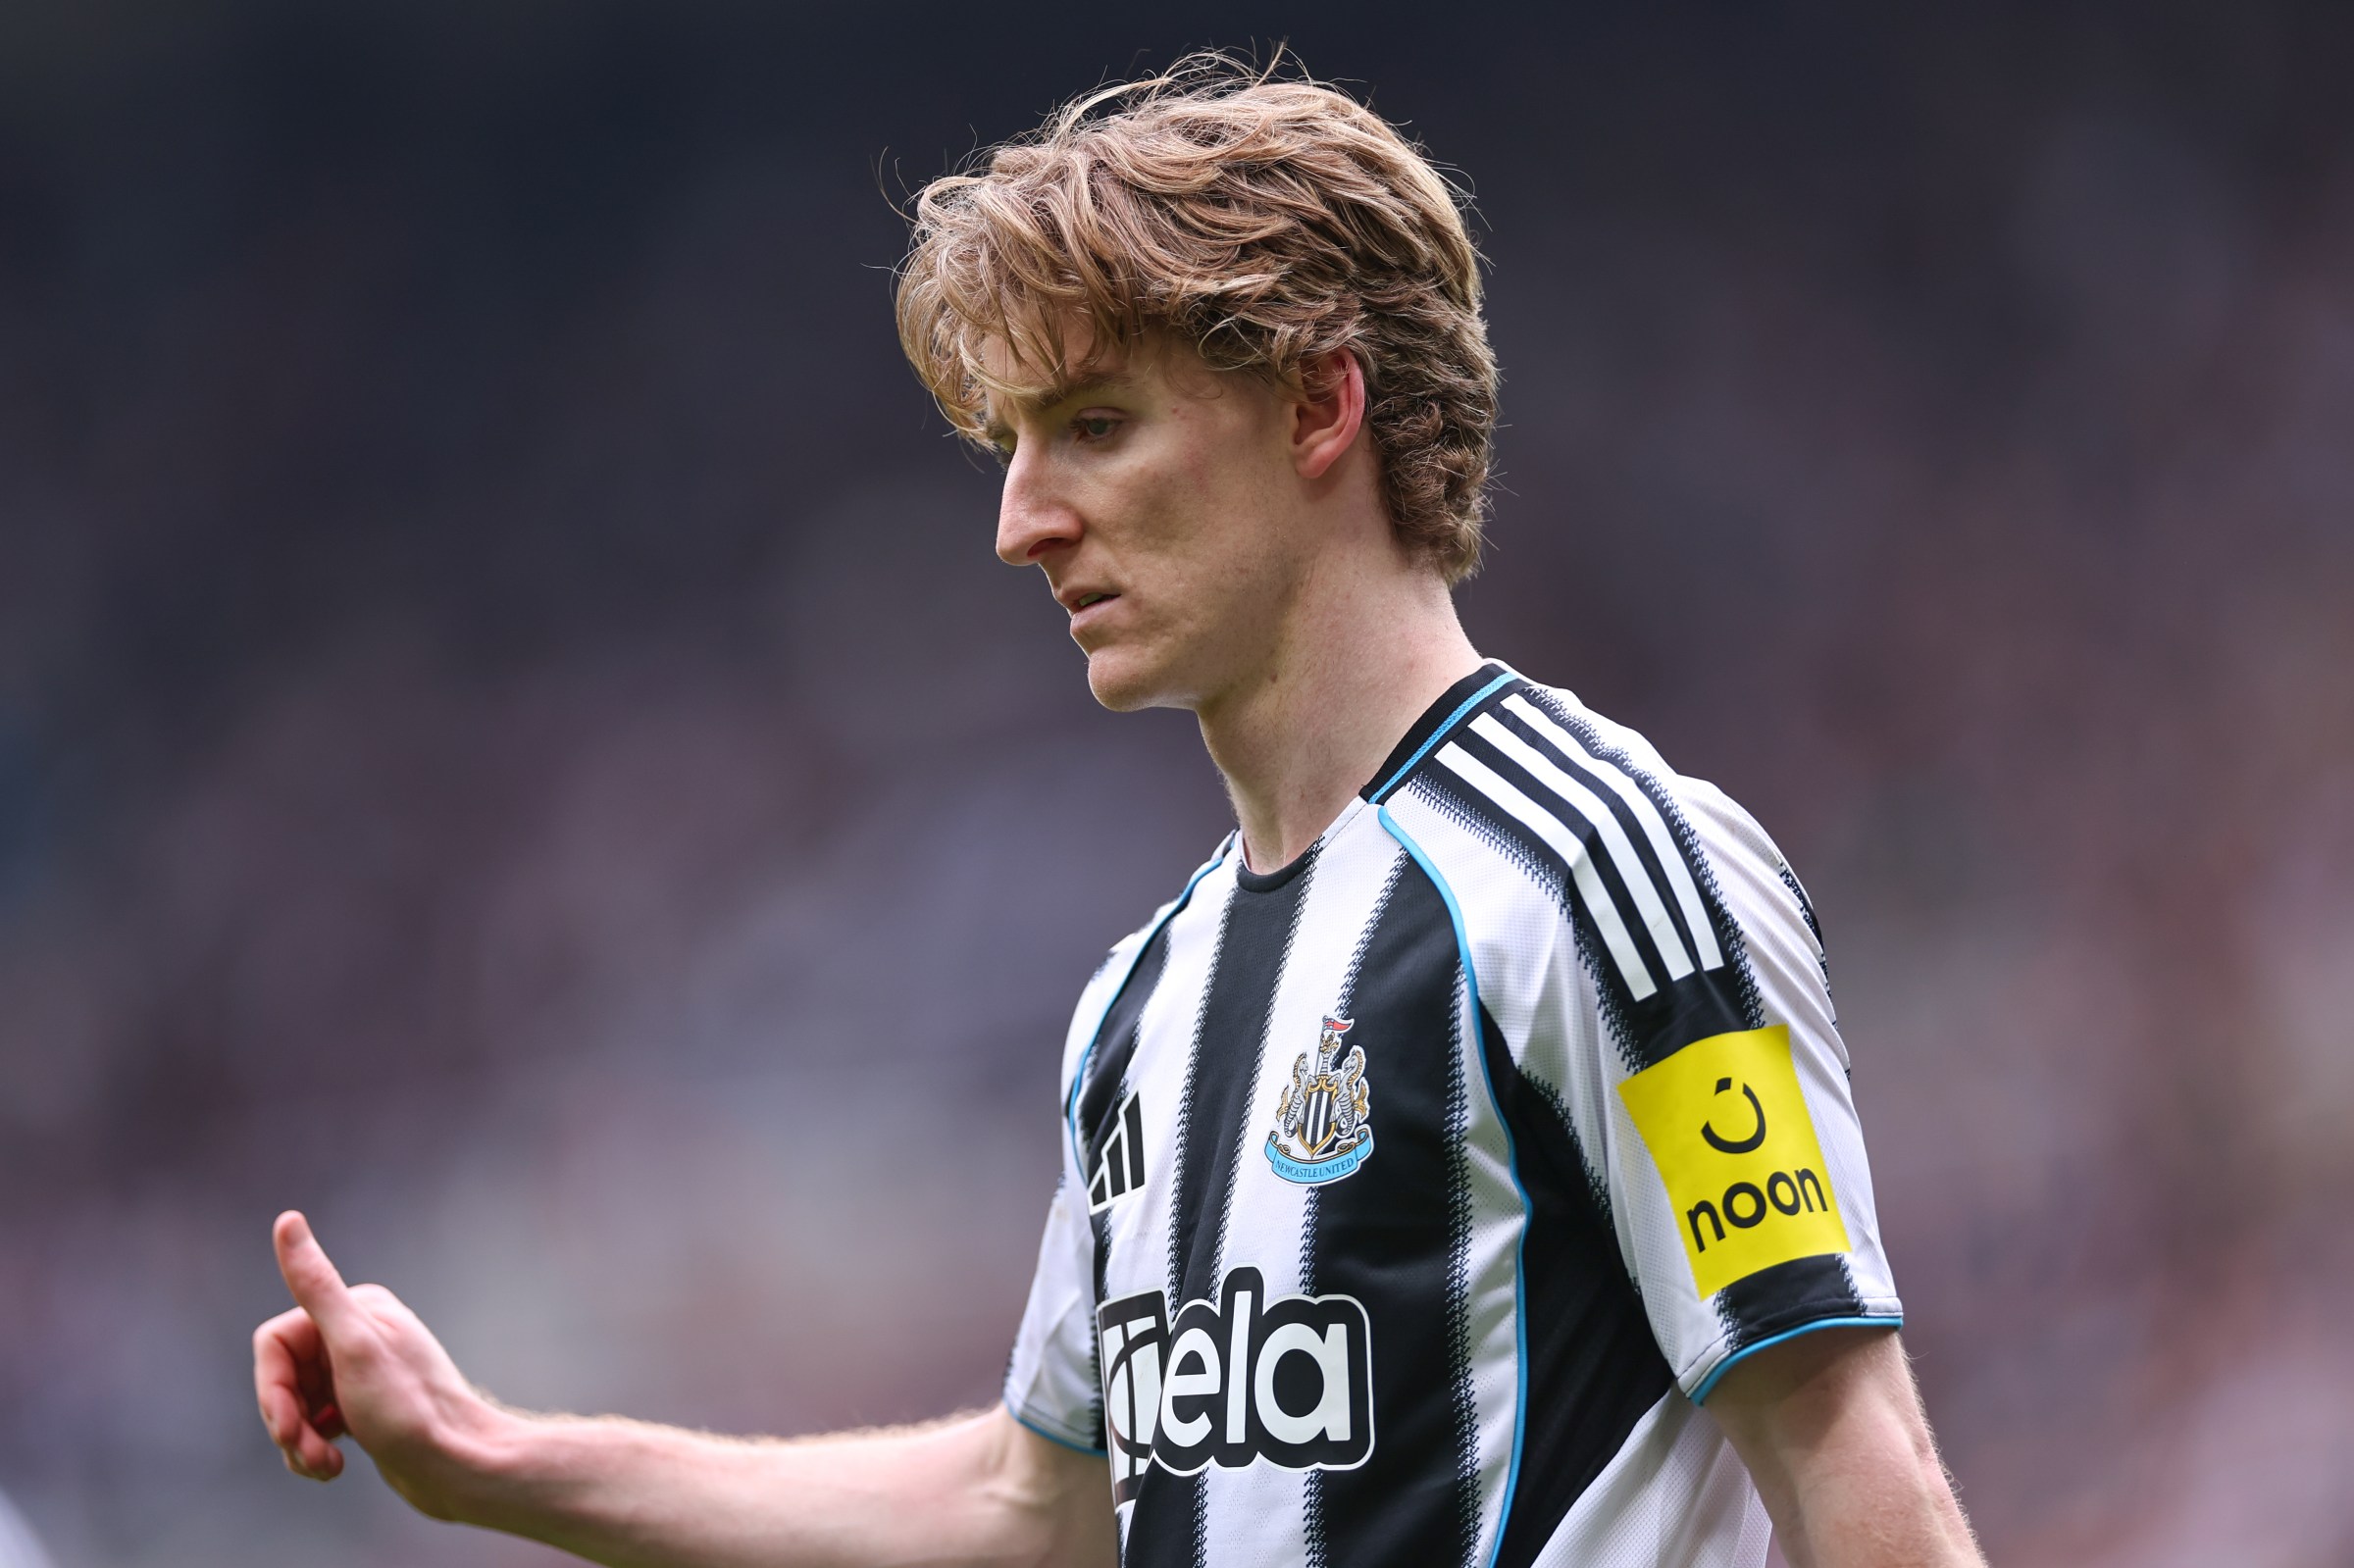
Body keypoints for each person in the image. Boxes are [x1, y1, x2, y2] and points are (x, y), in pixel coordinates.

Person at [253, 56, 1985, 1568]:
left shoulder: (1599, 867)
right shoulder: (1138, 1011)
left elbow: (1852, 1459)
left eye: (1094, 425)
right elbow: (1036, 1513)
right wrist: (489, 1459)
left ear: (1321, 402)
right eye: (1013, 444)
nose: (1021, 523)